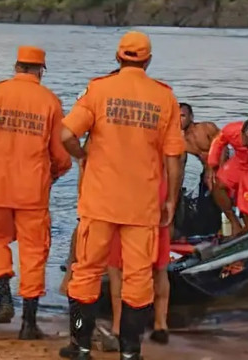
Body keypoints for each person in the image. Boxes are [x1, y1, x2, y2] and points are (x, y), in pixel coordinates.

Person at [58, 31, 184, 360]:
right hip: (142, 206)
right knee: (139, 277)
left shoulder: (99, 90)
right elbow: (174, 157)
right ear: (148, 60)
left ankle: (81, 346)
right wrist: (170, 199)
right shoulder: (164, 97)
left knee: (86, 271)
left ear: (118, 57)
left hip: (99, 202)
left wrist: (82, 156)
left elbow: (66, 133)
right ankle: (130, 352)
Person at [0, 45, 71, 340]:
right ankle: (28, 324)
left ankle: (3, 296)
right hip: (33, 193)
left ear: (16, 66)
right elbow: (61, 156)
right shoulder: (50, 101)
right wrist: (53, 175)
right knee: (34, 253)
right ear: (41, 70)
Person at [108, 172, 171, 345]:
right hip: (155, 194)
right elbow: (175, 162)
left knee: (117, 268)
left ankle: (118, 326)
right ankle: (160, 324)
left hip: (122, 198)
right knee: (159, 267)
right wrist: (172, 199)